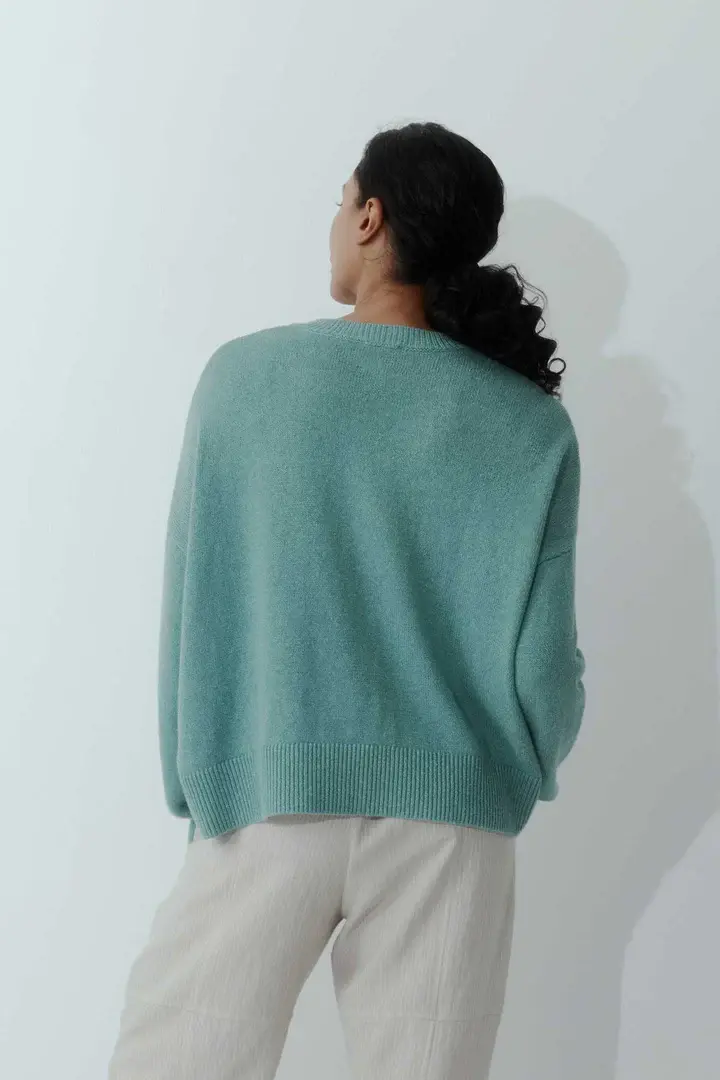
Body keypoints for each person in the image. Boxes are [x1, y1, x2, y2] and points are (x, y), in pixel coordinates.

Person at [108, 120, 586, 1079]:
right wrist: (512, 771)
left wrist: (196, 780)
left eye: (341, 202)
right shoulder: (531, 426)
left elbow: (192, 603)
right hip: (451, 823)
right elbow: (543, 667)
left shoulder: (243, 381)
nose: (336, 221)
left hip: (267, 796)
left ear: (370, 218)